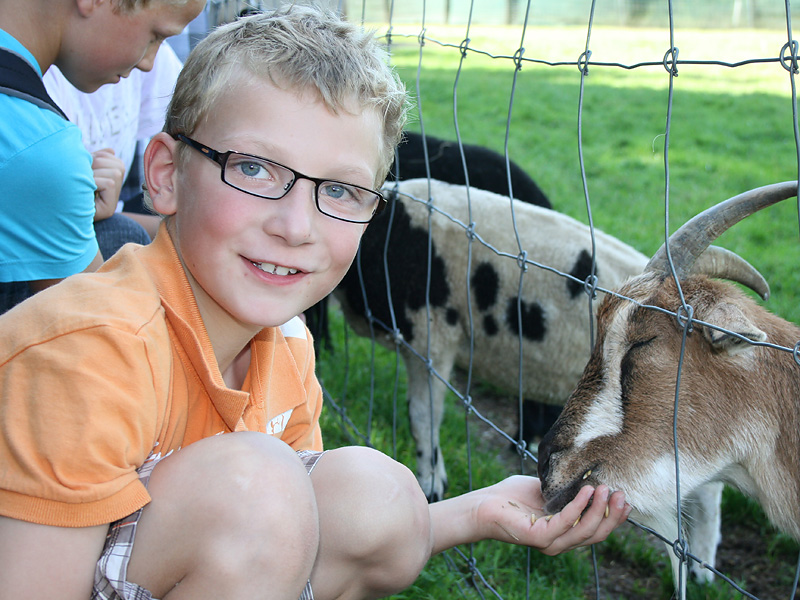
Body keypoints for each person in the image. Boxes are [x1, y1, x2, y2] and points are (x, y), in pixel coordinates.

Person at [0, 6, 631, 600]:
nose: (296, 225)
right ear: (164, 174)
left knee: (371, 494)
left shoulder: (286, 345)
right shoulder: (84, 355)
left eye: (342, 189)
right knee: (261, 489)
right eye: (253, 169)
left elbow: (305, 536)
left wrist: (477, 512)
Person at [0, 0, 205, 314]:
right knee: (122, 238)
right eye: (154, 36)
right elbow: (98, 338)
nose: (149, 63)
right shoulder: (42, 150)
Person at [43, 42, 185, 241]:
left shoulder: (153, 59)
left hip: (113, 209)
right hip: (64, 227)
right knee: (121, 233)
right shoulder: (44, 83)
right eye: (153, 37)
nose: (148, 63)